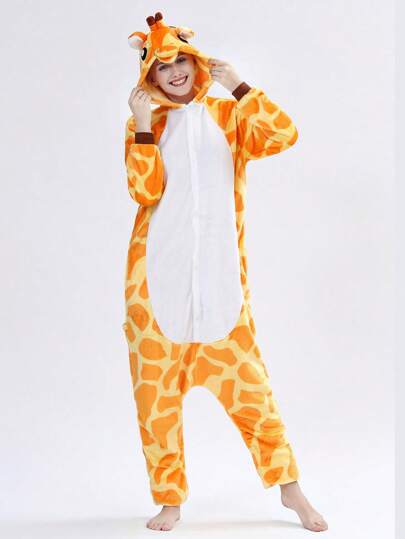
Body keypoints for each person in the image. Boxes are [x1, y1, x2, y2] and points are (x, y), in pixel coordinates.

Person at [123, 11, 328, 533]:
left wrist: (238, 85)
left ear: (197, 63)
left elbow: (283, 135)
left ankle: (290, 490)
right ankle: (169, 500)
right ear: (149, 74)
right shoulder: (147, 124)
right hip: (157, 288)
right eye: (162, 65)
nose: (174, 72)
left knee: (254, 396)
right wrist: (142, 124)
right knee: (155, 403)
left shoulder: (228, 115)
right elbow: (144, 191)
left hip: (221, 290)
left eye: (181, 61)